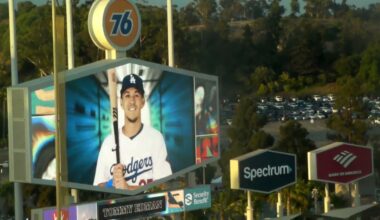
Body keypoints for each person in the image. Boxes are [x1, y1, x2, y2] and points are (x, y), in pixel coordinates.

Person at [93, 73, 172, 190]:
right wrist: (111, 183)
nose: (132, 101)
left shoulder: (156, 138)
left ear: (143, 102)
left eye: (136, 95)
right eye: (127, 95)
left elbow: (164, 186)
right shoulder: (108, 142)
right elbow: (98, 185)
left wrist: (128, 188)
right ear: (121, 102)